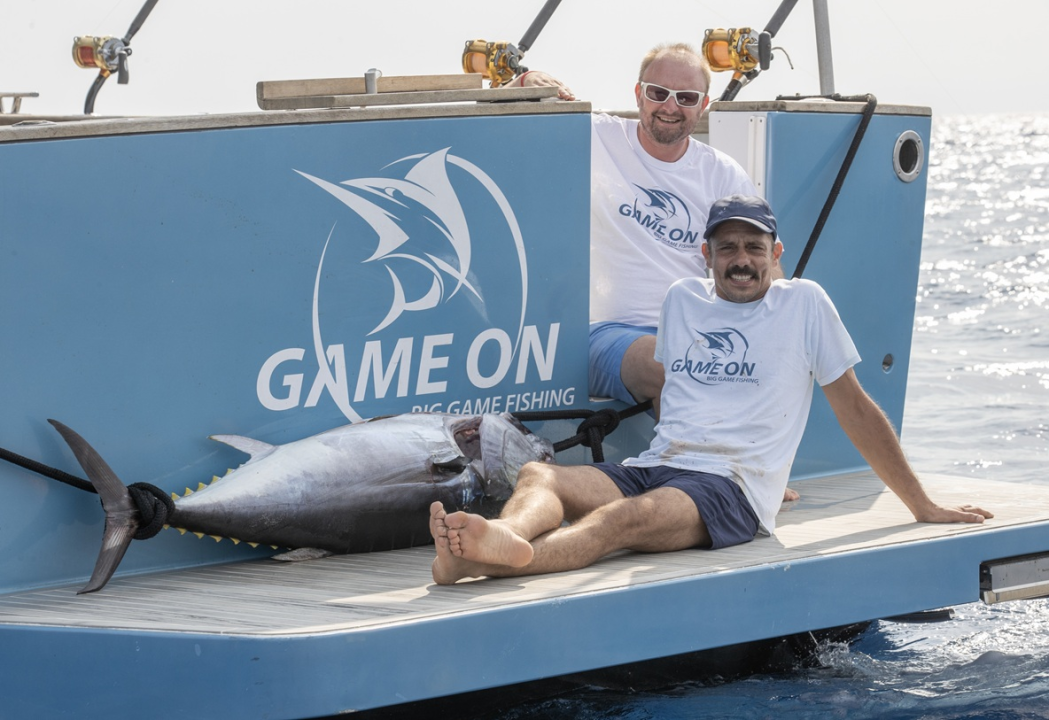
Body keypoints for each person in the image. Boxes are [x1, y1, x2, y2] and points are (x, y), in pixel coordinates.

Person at [428, 195, 993, 585]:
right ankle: (501, 535)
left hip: (731, 488)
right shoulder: (682, 299)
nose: (740, 260)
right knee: (540, 474)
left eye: (754, 247)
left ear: (776, 253)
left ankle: (489, 560)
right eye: (727, 248)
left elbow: (855, 410)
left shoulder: (804, 304)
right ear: (707, 256)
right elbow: (680, 396)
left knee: (624, 519)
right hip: (659, 465)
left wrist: (920, 505)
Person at [512, 43, 765, 418]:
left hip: (696, 332)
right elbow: (506, 114)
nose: (670, 107)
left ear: (704, 105)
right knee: (673, 367)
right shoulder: (597, 135)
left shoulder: (723, 173)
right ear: (638, 94)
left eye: (686, 97)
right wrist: (526, 79)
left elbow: (763, 265)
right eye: (658, 93)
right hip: (603, 332)